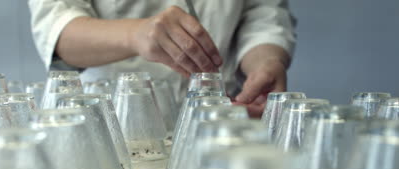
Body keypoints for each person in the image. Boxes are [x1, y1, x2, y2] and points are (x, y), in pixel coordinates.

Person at [28, 0, 296, 117]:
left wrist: (265, 60)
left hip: (223, 119)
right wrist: (134, 35)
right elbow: (56, 30)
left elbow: (263, 12)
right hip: (114, 127)